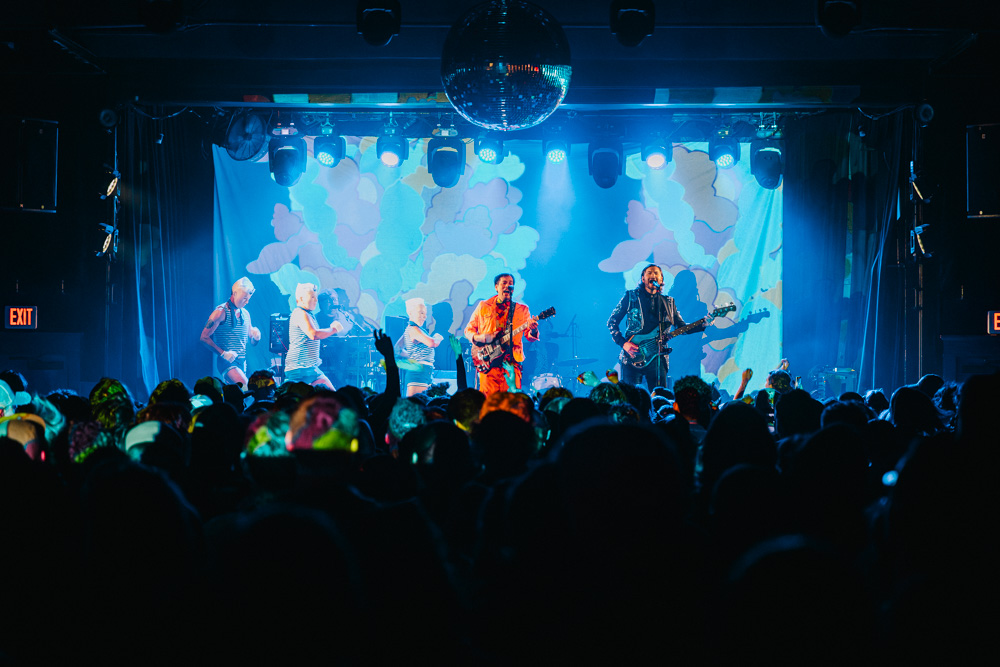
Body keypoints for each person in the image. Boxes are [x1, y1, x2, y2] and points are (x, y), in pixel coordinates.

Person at [607, 264, 712, 391]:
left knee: (659, 396)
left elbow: (681, 328)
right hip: (632, 356)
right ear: (643, 278)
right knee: (630, 396)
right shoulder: (630, 297)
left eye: (657, 273)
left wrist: (704, 324)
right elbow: (612, 322)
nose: (653, 275)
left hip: (658, 357)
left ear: (661, 280)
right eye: (649, 273)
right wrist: (624, 344)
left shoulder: (668, 302)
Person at [465, 273, 539, 395]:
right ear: (496, 286)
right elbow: (468, 330)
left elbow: (529, 336)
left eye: (510, 283)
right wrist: (482, 337)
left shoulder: (522, 310)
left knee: (511, 401)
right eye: (504, 283)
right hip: (488, 361)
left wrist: (534, 330)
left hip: (511, 363)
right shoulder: (484, 306)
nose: (507, 286)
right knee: (488, 401)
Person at [200, 277, 261, 386]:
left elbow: (251, 343)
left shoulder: (246, 314)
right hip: (227, 363)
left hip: (242, 362)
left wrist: (256, 338)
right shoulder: (220, 312)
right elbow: (204, 337)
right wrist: (223, 353)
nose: (247, 302)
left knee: (240, 396)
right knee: (246, 388)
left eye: (248, 299)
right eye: (244, 298)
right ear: (235, 293)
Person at [284, 283, 344, 390]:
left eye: (316, 297)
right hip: (299, 369)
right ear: (301, 298)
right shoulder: (300, 313)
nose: (315, 300)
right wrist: (333, 329)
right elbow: (314, 334)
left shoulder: (308, 314)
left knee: (332, 395)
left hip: (311, 369)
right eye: (312, 297)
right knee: (296, 402)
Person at [399, 297, 444, 396]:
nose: (424, 316)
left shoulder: (411, 329)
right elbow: (432, 343)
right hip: (419, 373)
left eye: (425, 314)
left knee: (422, 405)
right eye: (421, 313)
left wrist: (411, 354)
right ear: (410, 313)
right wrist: (438, 337)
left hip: (423, 372)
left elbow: (397, 349)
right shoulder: (414, 329)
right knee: (418, 407)